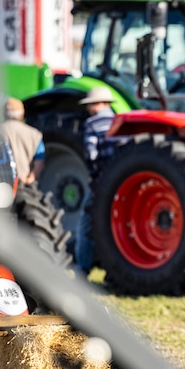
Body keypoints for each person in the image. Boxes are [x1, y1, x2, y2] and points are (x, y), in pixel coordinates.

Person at [74, 87, 116, 273]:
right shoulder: (118, 120)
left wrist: (93, 175)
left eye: (90, 105)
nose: (88, 109)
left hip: (101, 181)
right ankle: (112, 272)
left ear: (96, 104)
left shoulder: (92, 124)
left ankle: (83, 268)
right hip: (120, 180)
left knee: (85, 224)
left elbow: (91, 154)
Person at [0, 97, 44, 185]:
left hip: (2, 184)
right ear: (22, 114)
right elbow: (39, 163)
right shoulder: (35, 135)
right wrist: (29, 180)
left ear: (4, 113)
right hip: (23, 186)